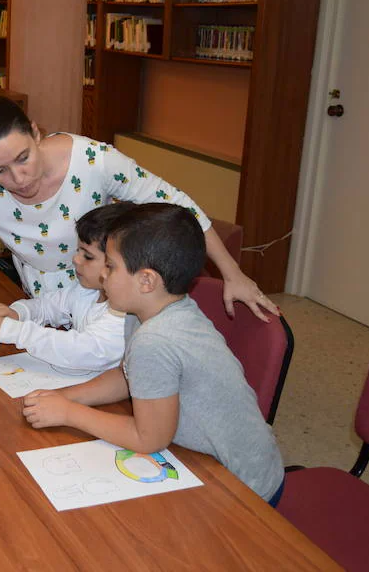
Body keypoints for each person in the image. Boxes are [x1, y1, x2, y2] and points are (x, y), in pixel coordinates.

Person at [0, 96, 278, 359]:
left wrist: (233, 274)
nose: (19, 179)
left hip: (113, 306)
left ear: (36, 131)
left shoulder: (95, 162)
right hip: (46, 308)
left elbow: (178, 204)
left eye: (23, 157)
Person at [21, 203, 285, 505]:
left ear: (146, 280)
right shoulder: (150, 310)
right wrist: (67, 396)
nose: (103, 276)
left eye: (111, 266)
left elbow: (149, 438)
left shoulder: (155, 339)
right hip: (214, 461)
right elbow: (128, 375)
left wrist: (69, 413)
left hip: (241, 488)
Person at [0, 202, 134, 374]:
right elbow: (46, 306)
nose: (76, 260)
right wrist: (18, 313)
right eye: (78, 250)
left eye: (88, 256)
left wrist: (14, 331)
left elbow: (82, 351)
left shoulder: (125, 314)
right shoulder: (86, 291)